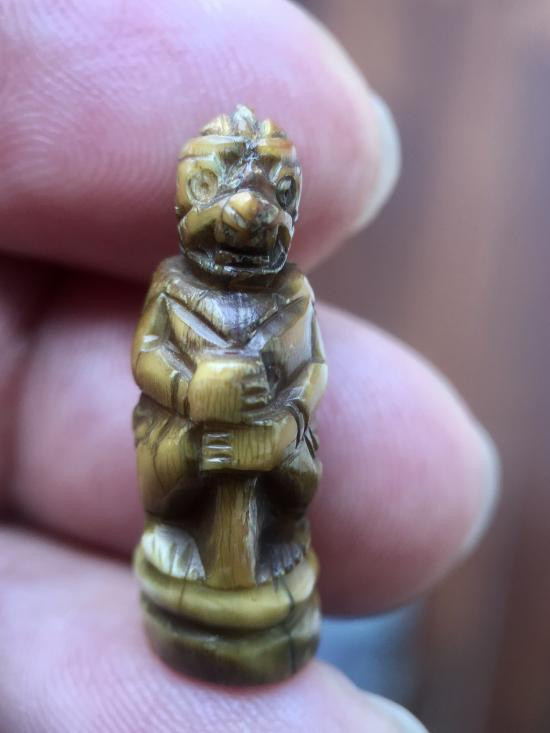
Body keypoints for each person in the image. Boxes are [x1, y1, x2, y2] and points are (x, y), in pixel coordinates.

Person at [0, 1, 499, 731]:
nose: (247, 210)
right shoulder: (173, 286)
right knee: (177, 463)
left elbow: (310, 373)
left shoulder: (291, 294)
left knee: (285, 465)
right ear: (188, 195)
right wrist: (195, 390)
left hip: (271, 441)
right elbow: (148, 358)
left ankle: (268, 575)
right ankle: (197, 569)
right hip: (186, 434)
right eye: (221, 186)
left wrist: (280, 423)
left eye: (274, 191)